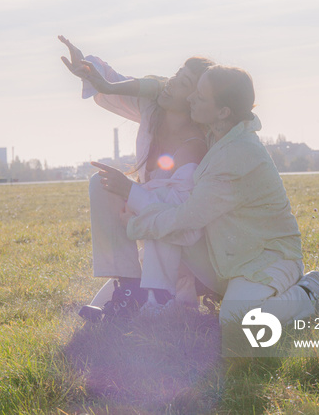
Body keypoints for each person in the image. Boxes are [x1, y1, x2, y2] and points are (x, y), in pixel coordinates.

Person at [97, 64, 319, 325]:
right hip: (224, 256)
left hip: (265, 259)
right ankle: (158, 301)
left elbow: (184, 222)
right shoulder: (219, 130)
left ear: (223, 110)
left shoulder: (237, 154)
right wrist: (102, 82)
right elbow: (164, 85)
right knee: (165, 204)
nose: (190, 98)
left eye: (199, 95)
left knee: (235, 320)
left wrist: (134, 223)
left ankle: (311, 292)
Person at [58, 35, 215, 320]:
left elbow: (176, 214)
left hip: (184, 246)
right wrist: (88, 67)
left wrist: (130, 193)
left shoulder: (195, 145)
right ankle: (128, 287)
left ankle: (154, 298)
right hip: (150, 225)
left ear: (196, 99)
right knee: (100, 184)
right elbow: (115, 83)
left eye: (183, 83)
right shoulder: (151, 109)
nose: (171, 83)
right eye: (176, 75)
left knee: (156, 306)